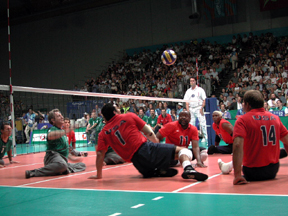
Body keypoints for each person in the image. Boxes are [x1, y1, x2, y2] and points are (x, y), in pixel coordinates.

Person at [88, 103, 208, 181]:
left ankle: (157, 170)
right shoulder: (128, 116)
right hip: (145, 148)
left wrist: (99, 175)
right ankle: (188, 169)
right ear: (114, 112)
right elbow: (148, 132)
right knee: (183, 150)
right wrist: (155, 143)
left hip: (136, 162)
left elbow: (100, 154)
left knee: (149, 173)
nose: (119, 109)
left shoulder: (103, 133)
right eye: (117, 108)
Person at [218, 90, 288, 185]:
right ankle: (226, 167)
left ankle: (226, 168)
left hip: (252, 172)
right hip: (273, 171)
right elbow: (287, 141)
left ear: (248, 105)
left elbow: (238, 145)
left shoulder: (242, 120)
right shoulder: (275, 118)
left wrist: (237, 175)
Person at [25, 109, 86, 178]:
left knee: (82, 165)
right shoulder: (53, 129)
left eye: (61, 115)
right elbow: (50, 135)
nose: (62, 117)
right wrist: (67, 131)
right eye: (58, 116)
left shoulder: (62, 132)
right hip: (52, 157)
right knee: (62, 165)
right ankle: (33, 172)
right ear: (53, 120)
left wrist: (72, 158)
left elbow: (64, 149)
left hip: (62, 160)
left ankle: (63, 169)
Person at [184, 77, 208, 143]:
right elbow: (186, 102)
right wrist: (188, 111)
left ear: (195, 81)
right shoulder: (188, 91)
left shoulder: (200, 90)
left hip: (199, 108)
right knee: (191, 125)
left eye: (193, 81)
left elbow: (204, 99)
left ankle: (205, 138)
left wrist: (202, 108)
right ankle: (192, 139)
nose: (192, 82)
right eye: (190, 81)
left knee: (203, 123)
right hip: (191, 109)